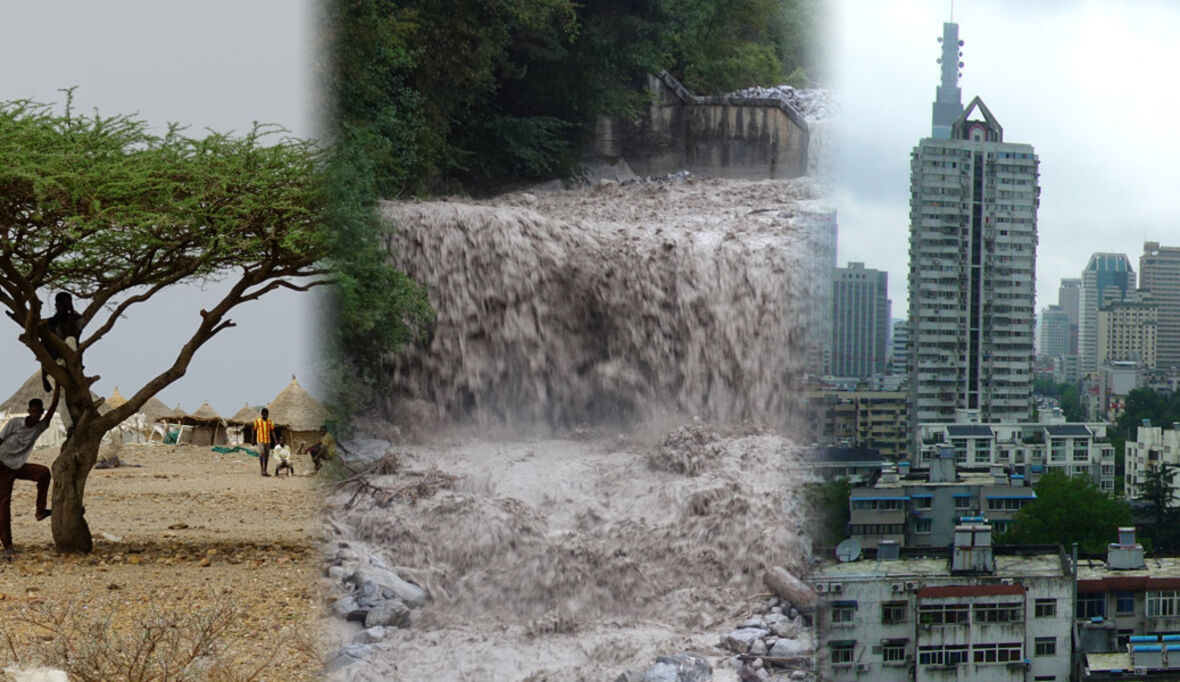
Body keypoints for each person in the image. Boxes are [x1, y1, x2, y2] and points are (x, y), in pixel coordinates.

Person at [0, 385, 60, 560]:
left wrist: (57, 387)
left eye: (38, 412)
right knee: (3, 506)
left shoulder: (39, 427)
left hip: (17, 466)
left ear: (41, 412)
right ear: (28, 411)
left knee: (43, 473)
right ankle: (8, 546)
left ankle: (40, 511)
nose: (35, 415)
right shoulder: (14, 423)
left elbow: (53, 406)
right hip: (2, 465)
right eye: (32, 411)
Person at [42, 292, 84, 393]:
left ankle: (70, 365)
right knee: (61, 397)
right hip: (55, 363)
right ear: (56, 305)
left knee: (70, 340)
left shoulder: (76, 319)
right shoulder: (49, 324)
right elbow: (44, 349)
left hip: (71, 361)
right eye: (62, 305)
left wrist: (71, 313)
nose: (64, 308)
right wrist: (44, 376)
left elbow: (71, 335)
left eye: (66, 305)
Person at [253, 408, 276, 477]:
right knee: (262, 453)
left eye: (267, 414)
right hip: (260, 440)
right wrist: (253, 440)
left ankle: (265, 470)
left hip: (268, 441)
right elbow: (253, 430)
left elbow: (272, 431)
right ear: (262, 414)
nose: (266, 415)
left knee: (266, 456)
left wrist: (275, 440)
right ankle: (262, 469)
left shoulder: (270, 421)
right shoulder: (257, 421)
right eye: (265, 414)